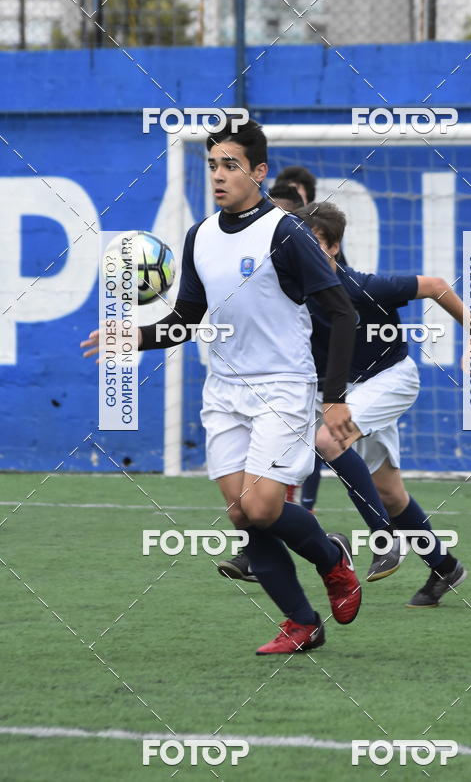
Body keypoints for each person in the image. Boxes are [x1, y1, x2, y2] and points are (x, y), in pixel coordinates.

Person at [81, 119, 362, 655]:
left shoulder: (286, 232)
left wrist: (334, 396)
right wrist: (134, 336)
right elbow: (187, 316)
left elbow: (341, 312)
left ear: (259, 172)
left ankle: (333, 559)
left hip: (282, 387)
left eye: (230, 165)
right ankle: (301, 623)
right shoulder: (199, 237)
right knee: (240, 513)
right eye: (212, 164)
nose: (218, 175)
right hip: (224, 391)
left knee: (260, 507)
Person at [295, 202, 468, 607]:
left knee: (328, 439)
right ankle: (445, 566)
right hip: (355, 392)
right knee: (390, 493)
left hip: (393, 379)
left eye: (313, 243)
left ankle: (383, 538)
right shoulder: (296, 298)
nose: (303, 252)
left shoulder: (360, 287)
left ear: (334, 247)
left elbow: (436, 284)